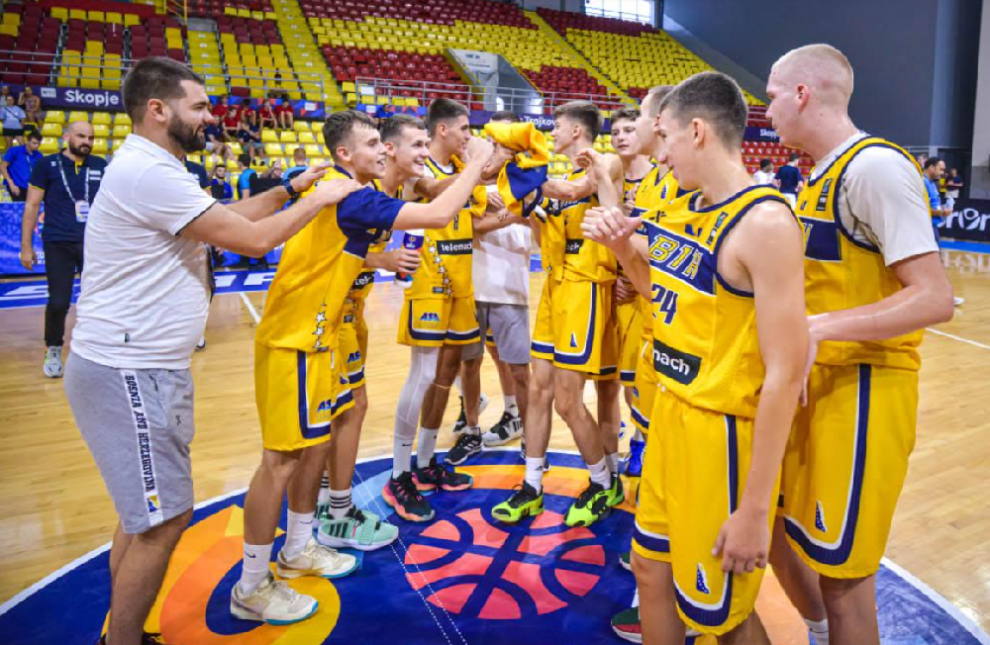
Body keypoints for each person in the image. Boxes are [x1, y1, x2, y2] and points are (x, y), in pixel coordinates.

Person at [62, 56, 361, 645]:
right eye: (198, 106)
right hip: (130, 367)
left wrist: (289, 189)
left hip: (142, 365)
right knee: (164, 519)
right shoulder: (148, 171)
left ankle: (120, 635)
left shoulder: (157, 166)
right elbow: (252, 240)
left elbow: (225, 218)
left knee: (144, 517)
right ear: (157, 109)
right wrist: (321, 199)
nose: (209, 116)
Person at [236, 109, 494, 624]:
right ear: (345, 154)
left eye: (383, 142)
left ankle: (299, 546)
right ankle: (251, 585)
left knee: (315, 444)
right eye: (373, 143)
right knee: (279, 462)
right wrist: (476, 165)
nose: (383, 150)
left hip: (319, 338)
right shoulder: (350, 195)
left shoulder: (347, 190)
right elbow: (439, 215)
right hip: (295, 340)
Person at [583, 70, 808, 645]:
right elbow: (659, 297)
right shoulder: (686, 207)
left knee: (722, 619)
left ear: (699, 132)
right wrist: (622, 250)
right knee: (649, 572)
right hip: (670, 418)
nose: (662, 154)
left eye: (667, 139)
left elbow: (786, 374)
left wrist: (755, 508)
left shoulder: (765, 222)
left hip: (721, 437)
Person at [763, 44, 956, 645]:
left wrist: (816, 329)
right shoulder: (817, 175)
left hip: (864, 392)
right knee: (781, 535)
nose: (766, 110)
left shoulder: (874, 168)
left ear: (802, 94)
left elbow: (934, 297)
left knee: (846, 584)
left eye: (772, 95)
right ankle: (819, 633)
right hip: (818, 386)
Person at [491, 100, 625, 529]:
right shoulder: (562, 176)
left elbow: (571, 193)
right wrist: (527, 206)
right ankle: (532, 486)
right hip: (555, 284)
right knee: (538, 392)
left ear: (577, 131)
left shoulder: (605, 163)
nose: (552, 132)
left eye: (557, 126)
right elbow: (542, 228)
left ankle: (603, 484)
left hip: (586, 287)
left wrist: (521, 174)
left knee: (569, 400)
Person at [317, 114, 427, 547]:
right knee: (350, 408)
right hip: (331, 311)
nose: (424, 153)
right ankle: (337, 512)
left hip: (352, 309)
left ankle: (325, 498)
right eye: (416, 145)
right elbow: (326, 250)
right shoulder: (357, 189)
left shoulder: (395, 187)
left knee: (342, 409)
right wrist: (380, 260)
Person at [384, 97, 489, 523]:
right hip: (429, 281)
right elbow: (432, 193)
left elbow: (472, 217)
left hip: (461, 281)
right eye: (464, 129)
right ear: (442, 129)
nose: (468, 136)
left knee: (445, 377)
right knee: (423, 374)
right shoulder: (419, 169)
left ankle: (426, 461)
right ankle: (398, 474)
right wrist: (479, 166)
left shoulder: (460, 170)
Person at [456, 110, 533, 449]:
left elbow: (532, 221)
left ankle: (524, 429)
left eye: (502, 138)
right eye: (490, 138)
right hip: (471, 286)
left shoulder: (527, 179)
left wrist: (514, 212)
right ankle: (473, 429)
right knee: (471, 362)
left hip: (510, 286)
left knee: (515, 366)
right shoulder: (469, 177)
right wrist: (507, 214)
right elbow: (467, 227)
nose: (494, 144)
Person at [17, 123, 101, 377]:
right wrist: (26, 247)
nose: (87, 141)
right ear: (66, 137)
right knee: (59, 301)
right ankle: (53, 347)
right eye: (81, 136)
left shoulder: (100, 166)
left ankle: (98, 348)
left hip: (93, 243)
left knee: (99, 300)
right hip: (58, 242)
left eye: (91, 138)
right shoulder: (46, 165)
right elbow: (32, 206)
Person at [609, 106, 654, 464]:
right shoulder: (609, 179)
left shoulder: (659, 178)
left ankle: (647, 443)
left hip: (649, 293)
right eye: (615, 132)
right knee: (625, 379)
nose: (621, 137)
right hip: (617, 291)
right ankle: (637, 441)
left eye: (628, 130)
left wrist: (638, 281)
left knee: (646, 376)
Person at [2, 130, 43, 202]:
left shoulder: (39, 155)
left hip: (31, 188)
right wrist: (11, 184)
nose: (37, 146)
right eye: (34, 143)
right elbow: (3, 167)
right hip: (16, 186)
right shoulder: (14, 150)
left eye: (38, 144)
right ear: (27, 141)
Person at [923, 156, 950, 243]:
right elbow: (921, 208)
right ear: (931, 167)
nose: (942, 173)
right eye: (941, 169)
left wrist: (942, 209)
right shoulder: (922, 182)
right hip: (926, 227)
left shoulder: (932, 183)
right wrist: (942, 212)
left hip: (932, 225)